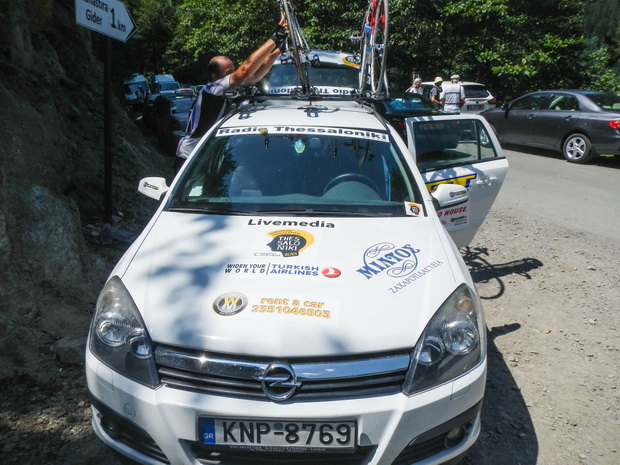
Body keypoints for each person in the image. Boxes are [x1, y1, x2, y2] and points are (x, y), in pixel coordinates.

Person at [174, 20, 288, 172]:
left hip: (208, 157)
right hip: (189, 159)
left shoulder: (228, 88)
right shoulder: (211, 89)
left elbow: (254, 75)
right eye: (230, 73)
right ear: (215, 76)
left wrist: (279, 50)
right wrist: (275, 37)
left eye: (234, 71)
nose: (235, 76)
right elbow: (244, 72)